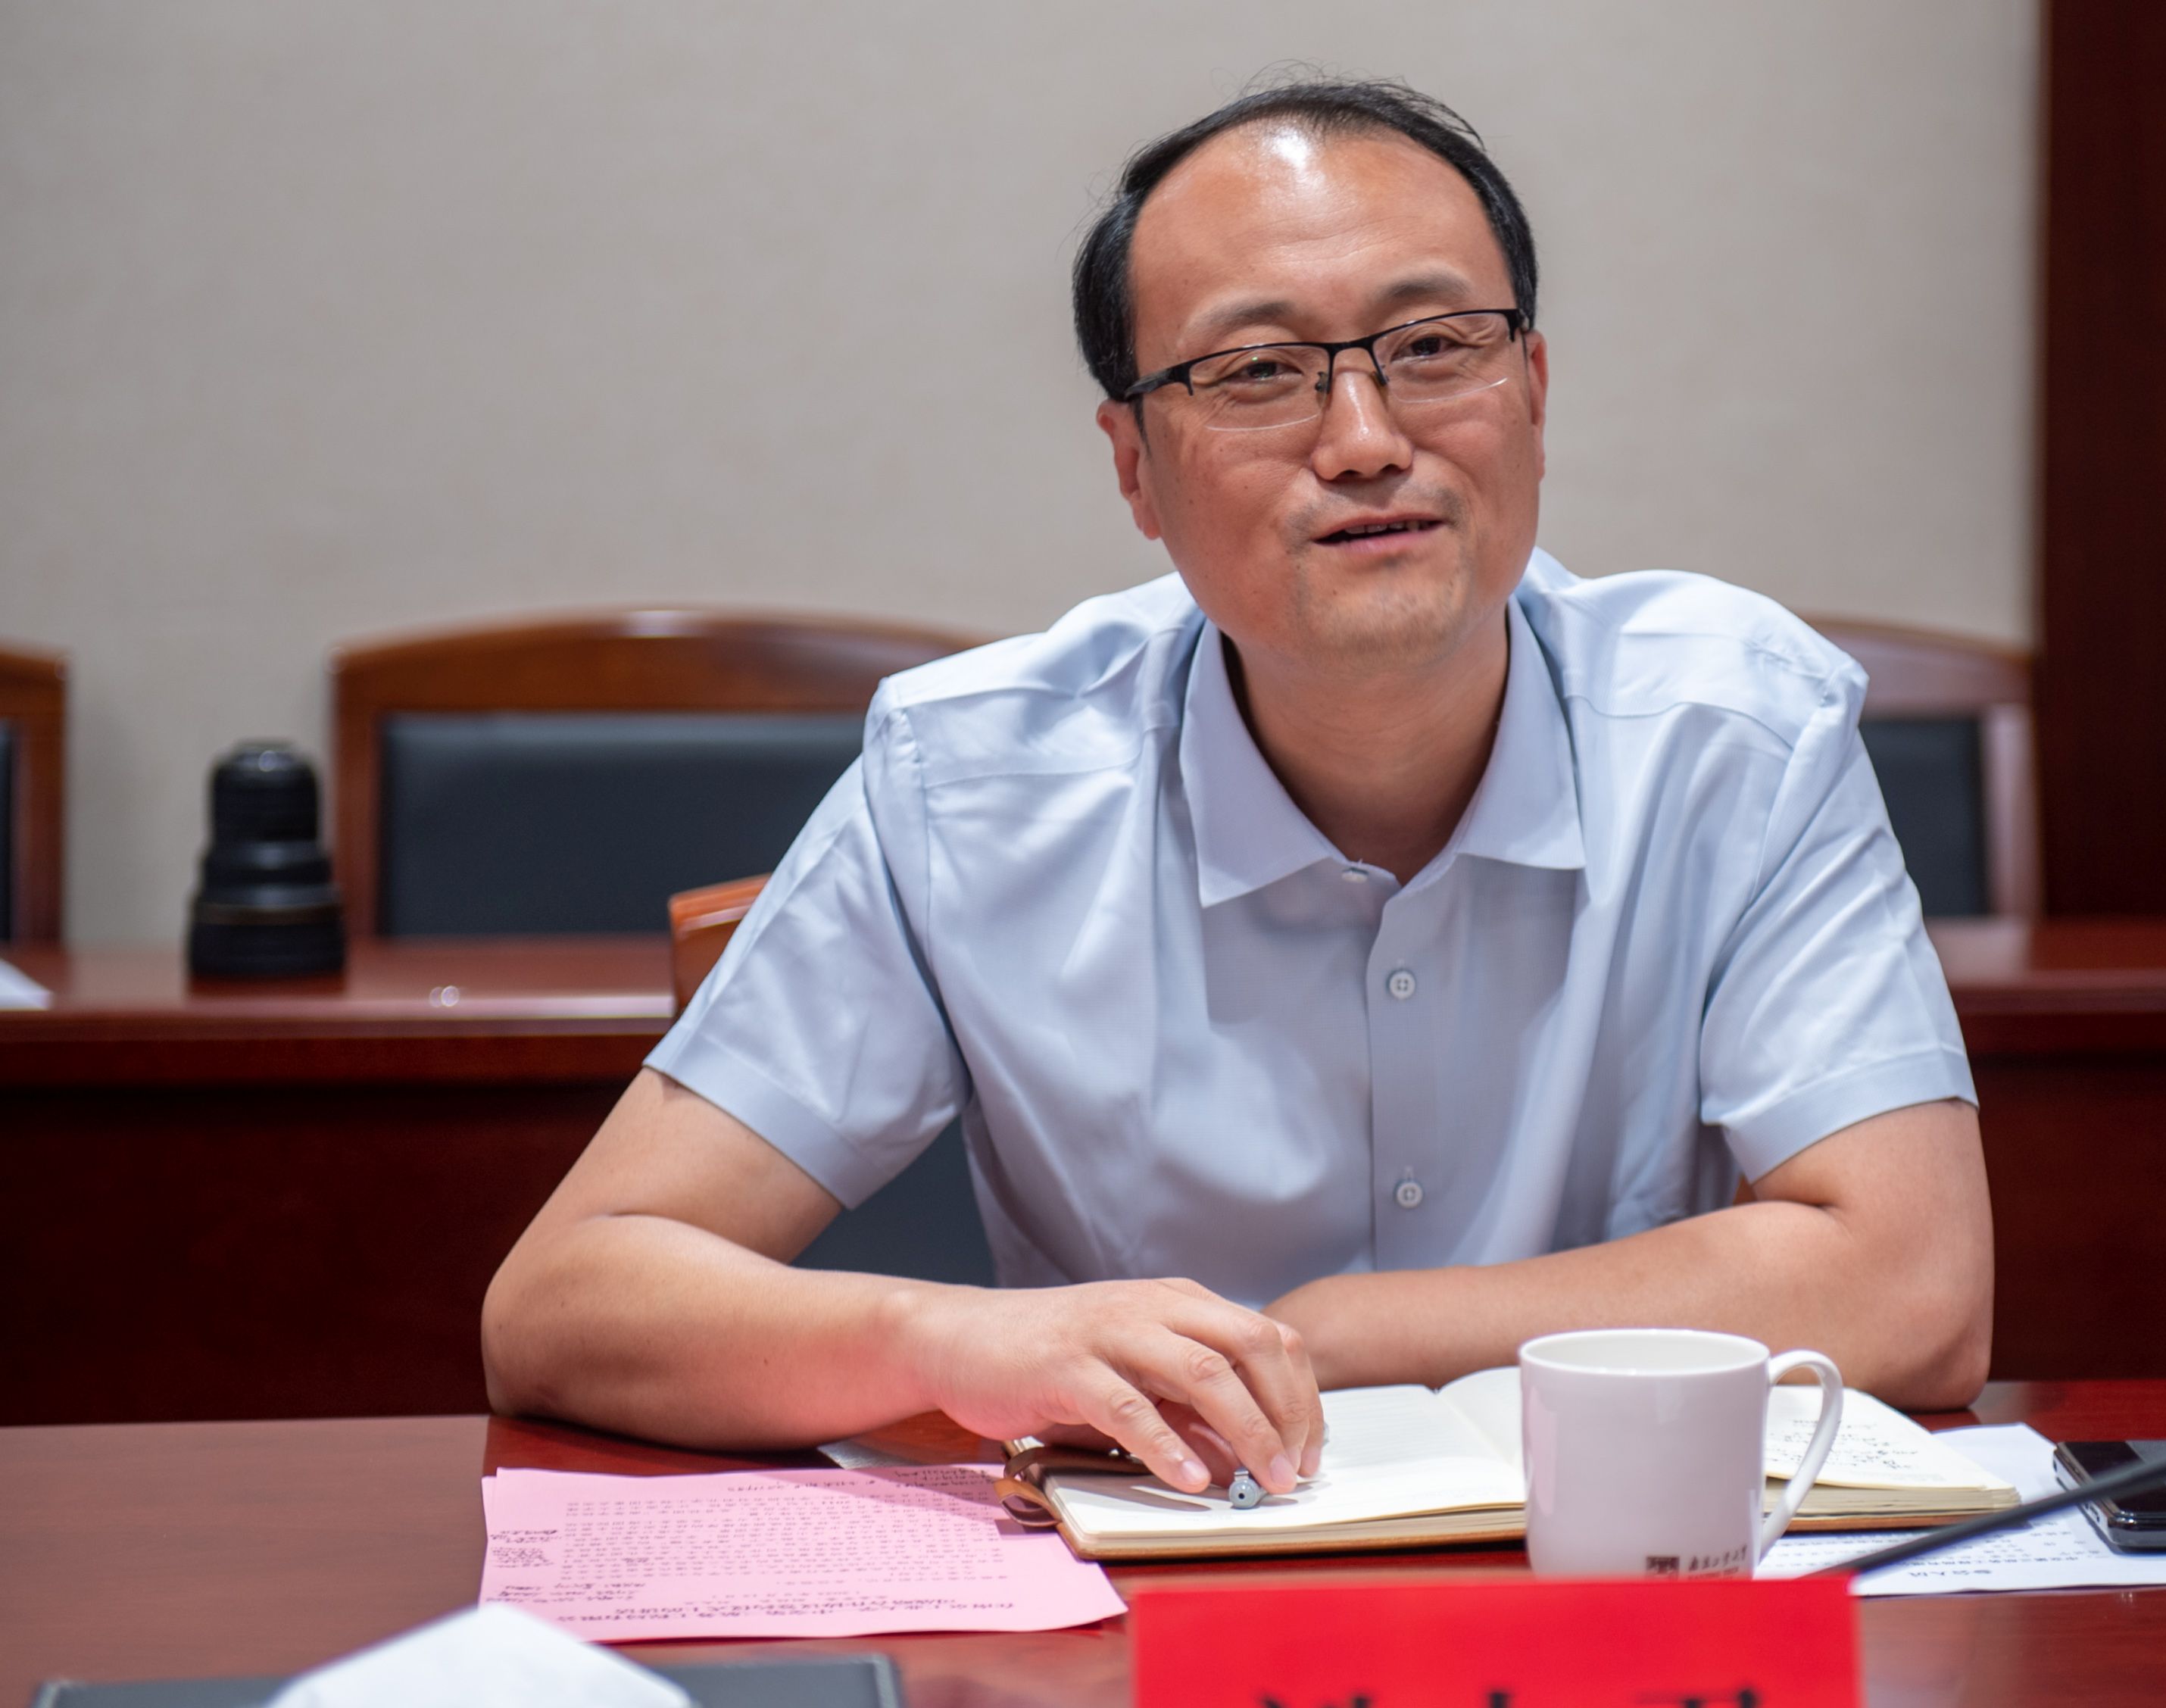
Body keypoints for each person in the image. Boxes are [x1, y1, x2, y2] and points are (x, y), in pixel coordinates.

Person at [482, 79, 1992, 1501]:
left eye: (1434, 347)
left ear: (1533, 390)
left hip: (1625, 1580)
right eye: (1258, 373)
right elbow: (563, 1303)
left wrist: (1329, 1333)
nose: (1367, 442)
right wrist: (951, 1339)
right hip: (1156, 1603)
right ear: (1134, 466)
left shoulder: (1739, 732)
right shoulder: (975, 783)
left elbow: (1916, 1291)